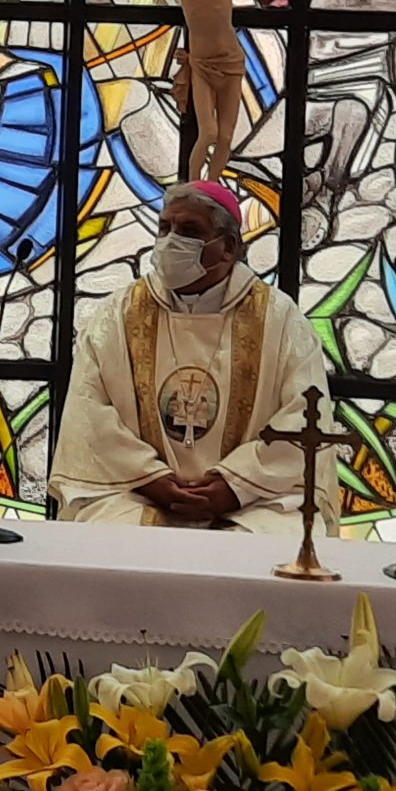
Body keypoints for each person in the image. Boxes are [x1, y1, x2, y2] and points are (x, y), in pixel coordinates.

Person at [48, 180, 338, 534]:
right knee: (108, 535)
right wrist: (151, 478)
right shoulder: (118, 314)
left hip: (252, 502)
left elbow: (305, 415)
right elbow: (87, 408)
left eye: (188, 230)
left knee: (279, 539)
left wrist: (234, 485)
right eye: (164, 227)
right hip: (137, 494)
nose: (170, 241)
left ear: (227, 247)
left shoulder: (280, 319)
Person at [75, 0, 338, 181]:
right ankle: (192, 187)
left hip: (230, 60)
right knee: (207, 133)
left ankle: (210, 187)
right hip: (201, 63)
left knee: (225, 137)